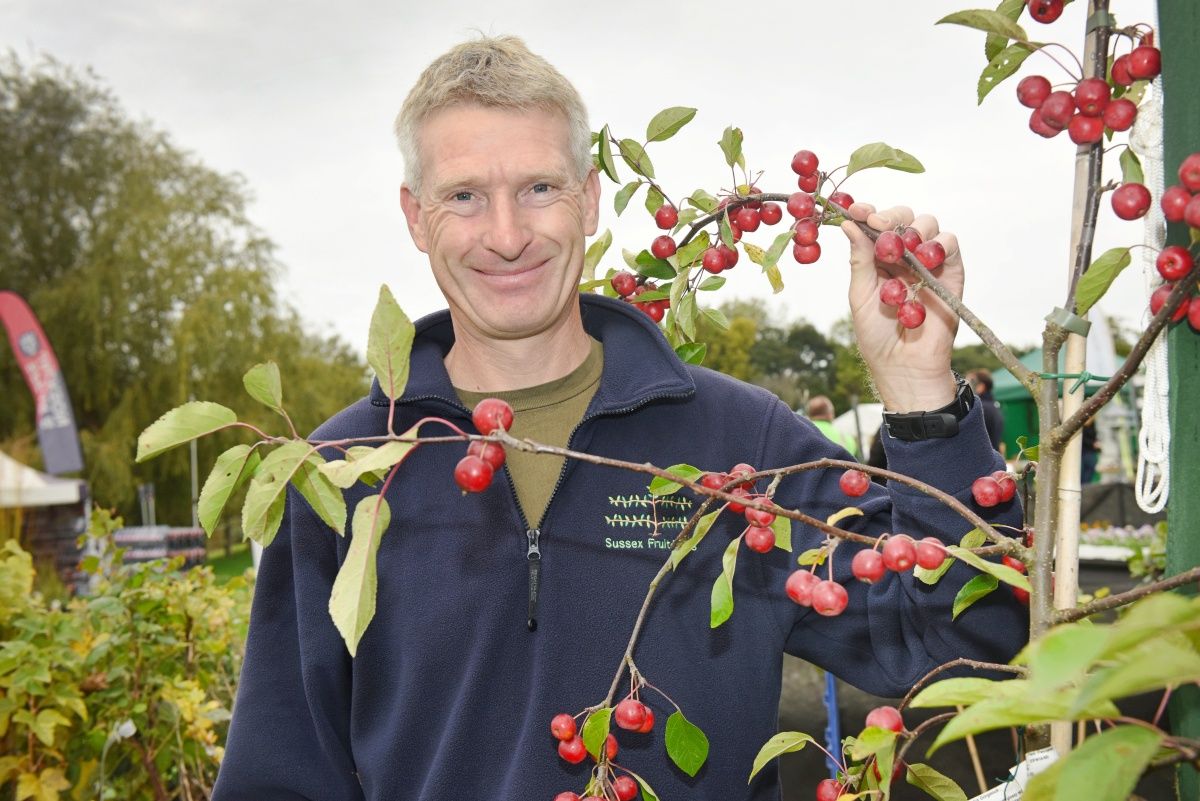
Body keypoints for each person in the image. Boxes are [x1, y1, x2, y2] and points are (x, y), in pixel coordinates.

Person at [212, 36, 1027, 801]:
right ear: (414, 214)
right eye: (464, 196)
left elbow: (965, 647)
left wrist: (920, 392)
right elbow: (281, 771)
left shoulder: (740, 444)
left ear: (591, 199)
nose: (506, 235)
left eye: (539, 188)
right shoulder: (342, 471)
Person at [967, 368, 1005, 454]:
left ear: (981, 386)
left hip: (982, 460)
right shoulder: (993, 405)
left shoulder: (980, 407)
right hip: (992, 458)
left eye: (972, 382)